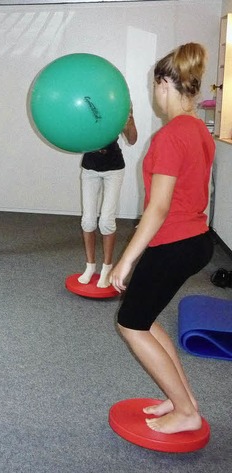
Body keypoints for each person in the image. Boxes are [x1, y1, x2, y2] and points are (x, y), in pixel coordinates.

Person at [109, 43, 214, 435]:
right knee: (146, 318)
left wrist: (125, 260)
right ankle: (182, 398)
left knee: (131, 323)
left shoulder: (171, 135)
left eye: (154, 87)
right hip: (194, 240)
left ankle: (186, 411)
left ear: (162, 85)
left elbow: (159, 207)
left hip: (174, 243)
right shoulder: (198, 130)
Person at [78, 107, 138, 288]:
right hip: (90, 168)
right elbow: (77, 134)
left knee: (106, 221)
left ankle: (106, 267)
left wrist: (129, 122)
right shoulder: (86, 105)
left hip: (114, 169)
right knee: (88, 221)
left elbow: (133, 139)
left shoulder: (116, 104)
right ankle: (90, 267)